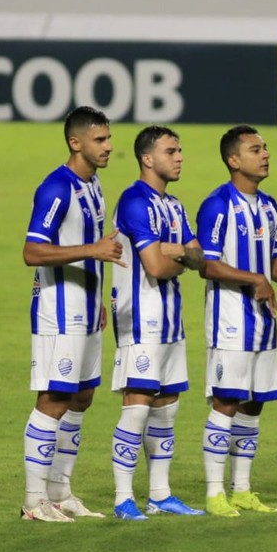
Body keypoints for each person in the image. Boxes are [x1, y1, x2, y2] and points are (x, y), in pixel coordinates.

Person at [21, 106, 123, 521]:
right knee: (55, 397)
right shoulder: (56, 188)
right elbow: (32, 252)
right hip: (58, 313)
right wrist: (93, 250)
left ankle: (61, 492)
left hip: (85, 309)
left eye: (109, 139)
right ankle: (33, 501)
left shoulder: (93, 184)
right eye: (99, 140)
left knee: (82, 397)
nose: (108, 147)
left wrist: (96, 296)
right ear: (75, 142)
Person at [197, 125, 277, 517]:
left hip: (264, 321)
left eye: (266, 148)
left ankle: (241, 489)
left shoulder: (268, 206)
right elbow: (206, 264)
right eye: (256, 149)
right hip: (230, 322)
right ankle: (213, 493)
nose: (266, 154)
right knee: (227, 402)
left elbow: (273, 255)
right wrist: (254, 279)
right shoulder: (218, 204)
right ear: (233, 160)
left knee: (254, 405)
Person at [109, 126, 205, 520]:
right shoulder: (134, 201)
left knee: (167, 407)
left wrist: (176, 250)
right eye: (171, 151)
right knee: (138, 406)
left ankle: (160, 494)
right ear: (148, 159)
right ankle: (121, 499)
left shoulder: (175, 205)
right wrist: (177, 253)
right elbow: (155, 266)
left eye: (180, 149)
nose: (180, 156)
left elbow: (199, 259)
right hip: (140, 320)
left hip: (170, 323)